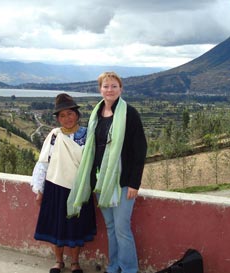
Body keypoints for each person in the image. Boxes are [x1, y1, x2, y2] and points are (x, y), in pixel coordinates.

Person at [67, 72, 147, 273]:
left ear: (121, 89)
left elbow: (140, 150)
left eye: (114, 86)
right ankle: (114, 266)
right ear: (100, 89)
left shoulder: (130, 113)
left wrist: (134, 184)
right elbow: (93, 150)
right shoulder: (96, 114)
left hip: (122, 181)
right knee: (111, 228)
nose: (109, 90)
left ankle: (129, 269)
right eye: (106, 86)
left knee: (122, 229)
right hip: (101, 181)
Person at [31, 93, 96, 273]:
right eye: (62, 115)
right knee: (57, 225)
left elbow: (93, 164)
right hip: (55, 187)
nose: (67, 118)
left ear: (77, 114)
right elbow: (43, 163)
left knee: (77, 226)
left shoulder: (87, 135)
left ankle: (75, 262)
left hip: (80, 188)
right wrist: (39, 189)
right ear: (58, 118)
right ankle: (58, 261)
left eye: (70, 114)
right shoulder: (54, 136)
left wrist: (94, 190)